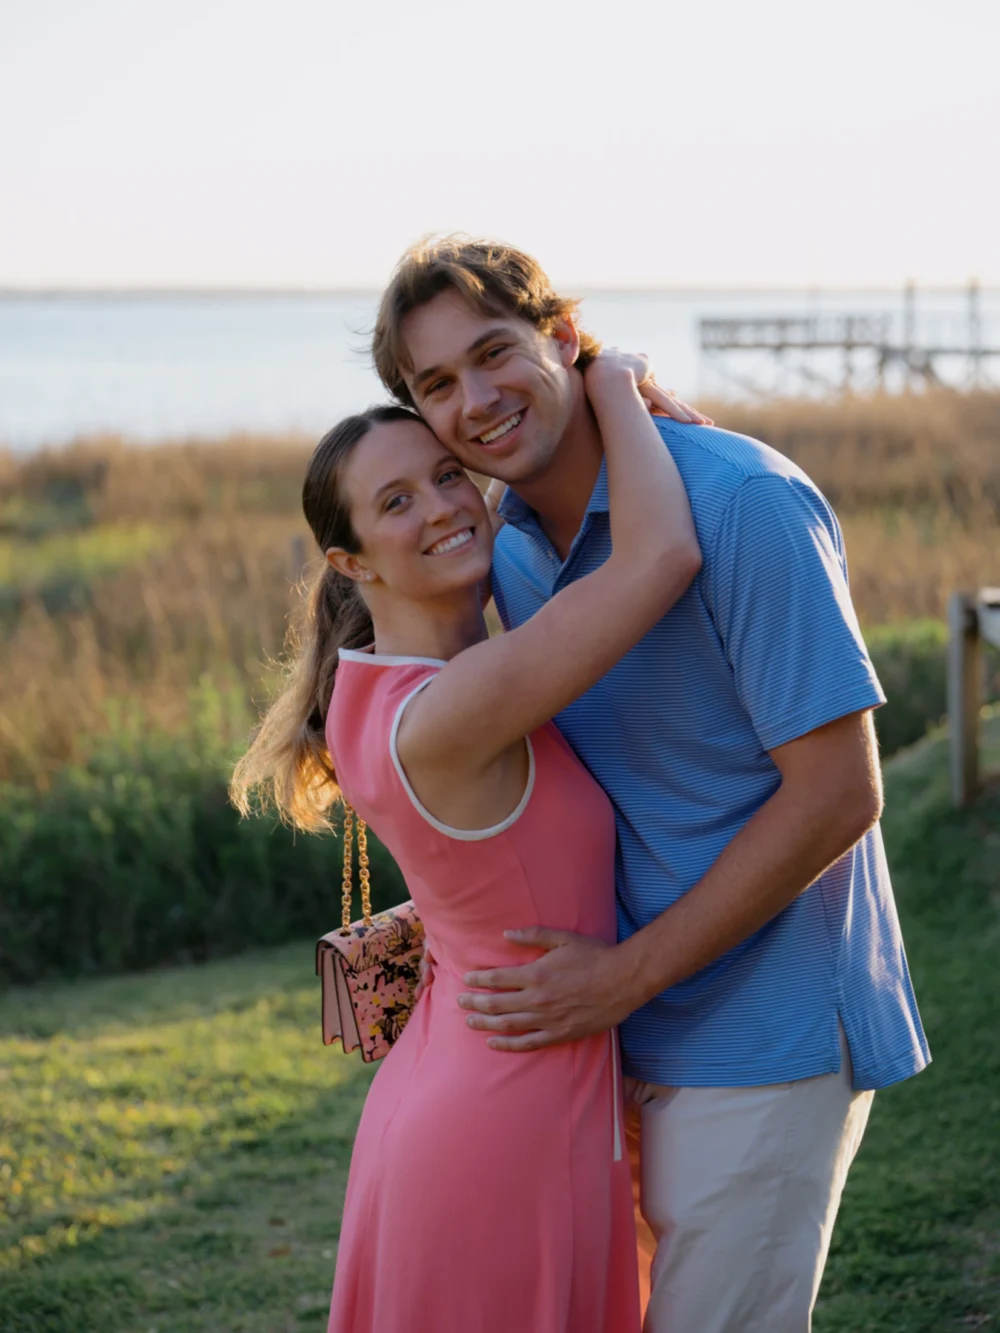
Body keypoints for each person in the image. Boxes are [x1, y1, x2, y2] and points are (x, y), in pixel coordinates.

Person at [370, 235, 931, 1333]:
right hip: (613, 1041)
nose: (476, 401)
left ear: (564, 338)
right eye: (438, 384)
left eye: (495, 354)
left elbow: (837, 794)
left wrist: (625, 975)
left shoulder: (742, 504)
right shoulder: (509, 545)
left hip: (762, 1036)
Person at [230, 348, 703, 1330]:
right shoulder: (451, 707)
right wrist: (612, 383)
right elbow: (661, 557)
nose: (443, 506)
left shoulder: (370, 686)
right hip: (509, 1118)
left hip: (458, 1085)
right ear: (350, 561)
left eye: (448, 476)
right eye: (395, 502)